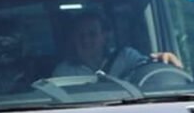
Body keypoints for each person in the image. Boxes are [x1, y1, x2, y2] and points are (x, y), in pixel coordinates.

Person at [53, 11, 183, 77]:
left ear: (104, 36)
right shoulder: (63, 71)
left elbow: (149, 73)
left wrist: (164, 60)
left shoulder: (127, 57)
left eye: (92, 34)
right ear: (73, 38)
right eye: (81, 35)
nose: (86, 40)